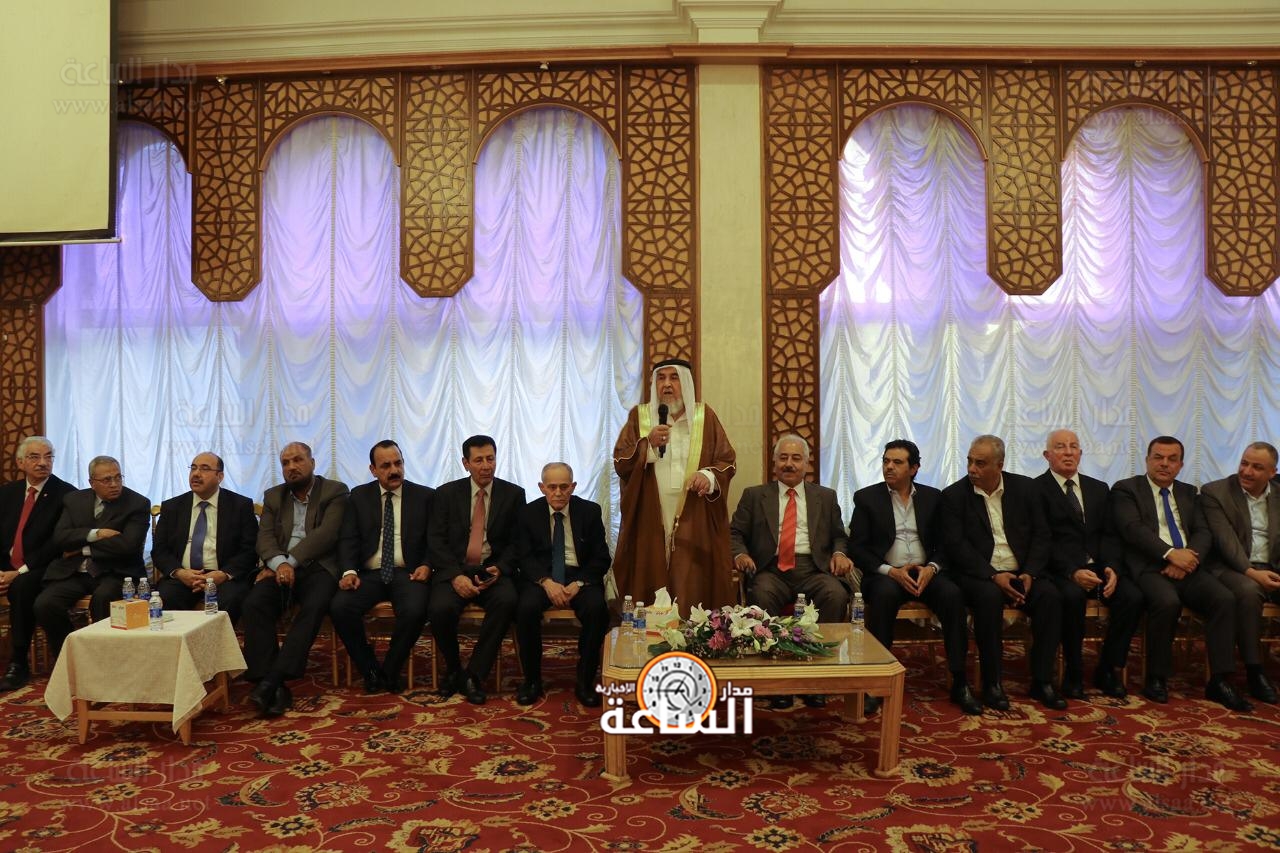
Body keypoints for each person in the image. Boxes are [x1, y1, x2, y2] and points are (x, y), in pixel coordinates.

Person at [1112, 436, 1249, 710]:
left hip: (1188, 566)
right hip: (1149, 567)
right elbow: (1133, 529)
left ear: (1181, 465)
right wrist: (1170, 554)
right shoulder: (1126, 489)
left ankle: (1220, 680)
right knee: (1167, 602)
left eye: (1172, 459)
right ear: (1147, 460)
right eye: (1158, 457)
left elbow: (1203, 531)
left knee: (1224, 599)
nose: (1164, 464)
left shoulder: (1189, 492)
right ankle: (1157, 677)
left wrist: (1187, 558)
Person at [850, 439, 982, 716]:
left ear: (914, 468)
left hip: (924, 572)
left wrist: (932, 567)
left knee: (953, 595)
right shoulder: (867, 498)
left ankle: (959, 681)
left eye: (897, 462)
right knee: (884, 596)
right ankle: (876, 682)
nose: (889, 467)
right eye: (886, 461)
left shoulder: (933, 498)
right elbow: (858, 549)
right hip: (886, 573)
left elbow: (947, 544)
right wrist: (891, 571)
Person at [942, 434, 1066, 711]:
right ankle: (992, 683)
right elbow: (956, 546)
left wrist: (1030, 573)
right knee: (988, 598)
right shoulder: (954, 496)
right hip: (980, 575)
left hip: (1022, 572)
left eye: (980, 463)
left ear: (999, 465)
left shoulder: (1026, 489)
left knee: (1050, 597)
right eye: (970, 461)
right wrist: (993, 575)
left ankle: (1042, 681)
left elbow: (1042, 535)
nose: (972, 469)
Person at [731, 433, 855, 709]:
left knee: (835, 595)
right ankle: (778, 682)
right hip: (770, 569)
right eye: (783, 458)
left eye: (796, 458)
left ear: (807, 464)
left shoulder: (825, 496)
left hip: (814, 569)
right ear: (774, 462)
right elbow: (735, 533)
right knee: (761, 596)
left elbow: (839, 536)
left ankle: (817, 678)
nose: (789, 464)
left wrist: (839, 553)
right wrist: (740, 554)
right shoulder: (754, 495)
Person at [613, 357, 736, 615]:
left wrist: (708, 476)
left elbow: (727, 461)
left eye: (674, 378)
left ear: (687, 383)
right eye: (661, 378)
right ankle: (647, 635)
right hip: (650, 513)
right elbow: (621, 462)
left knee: (691, 581)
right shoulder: (640, 417)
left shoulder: (704, 417)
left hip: (694, 514)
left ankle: (691, 633)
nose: (667, 384)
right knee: (649, 579)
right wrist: (647, 444)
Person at [1033, 430, 1143, 700]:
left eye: (1073, 447)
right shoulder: (1035, 490)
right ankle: (1074, 671)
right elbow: (1041, 539)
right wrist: (1072, 572)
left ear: (1080, 454)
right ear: (1047, 455)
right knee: (1071, 597)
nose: (1068, 452)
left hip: (1098, 567)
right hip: (1060, 571)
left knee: (1132, 597)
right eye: (1060, 447)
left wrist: (1112, 567)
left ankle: (1108, 668)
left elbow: (1110, 534)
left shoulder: (1098, 488)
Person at [244, 442, 349, 717]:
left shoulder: (335, 491)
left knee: (314, 607)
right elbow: (265, 537)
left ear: (312, 463)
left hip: (318, 568)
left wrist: (289, 563)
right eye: (286, 463)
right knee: (255, 603)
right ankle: (272, 684)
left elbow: (326, 535)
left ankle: (272, 679)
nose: (292, 467)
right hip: (278, 568)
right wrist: (279, 564)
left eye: (298, 460)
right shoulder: (274, 496)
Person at [427, 435, 524, 705]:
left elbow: (518, 542)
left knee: (507, 601)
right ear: (465, 463)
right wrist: (455, 575)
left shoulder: (513, 494)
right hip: (455, 569)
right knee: (439, 608)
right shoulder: (446, 494)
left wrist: (500, 569)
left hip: (492, 569)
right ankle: (454, 669)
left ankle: (474, 675)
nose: (486, 466)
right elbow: (436, 540)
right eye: (479, 460)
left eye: (490, 458)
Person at [331, 440, 434, 694]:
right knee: (340, 607)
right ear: (373, 470)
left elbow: (436, 540)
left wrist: (427, 565)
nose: (394, 470)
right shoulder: (359, 496)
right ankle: (369, 669)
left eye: (398, 463)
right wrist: (349, 571)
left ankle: (389, 670)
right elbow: (348, 538)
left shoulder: (425, 496)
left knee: (415, 610)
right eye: (386, 466)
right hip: (369, 574)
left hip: (408, 573)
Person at [513, 462, 611, 708]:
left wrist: (580, 582)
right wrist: (546, 582)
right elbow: (523, 557)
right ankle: (532, 681)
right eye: (552, 487)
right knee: (525, 608)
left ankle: (585, 681)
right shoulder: (528, 513)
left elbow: (601, 558)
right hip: (542, 577)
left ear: (573, 487)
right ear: (542, 487)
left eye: (564, 487)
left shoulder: (589, 512)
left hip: (580, 577)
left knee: (597, 609)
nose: (558, 493)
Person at [33, 456, 150, 661]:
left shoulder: (137, 503)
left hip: (116, 572)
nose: (114, 484)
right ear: (92, 482)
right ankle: (71, 655)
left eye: (118, 477)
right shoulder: (74, 500)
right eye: (106, 480)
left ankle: (104, 659)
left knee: (103, 598)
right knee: (45, 604)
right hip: (75, 572)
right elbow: (60, 538)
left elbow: (128, 546)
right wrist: (97, 534)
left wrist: (82, 548)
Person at [1197, 441, 1280, 704]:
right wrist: (1253, 573)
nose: (1246, 471)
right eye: (1244, 463)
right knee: (1248, 591)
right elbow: (1226, 542)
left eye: (1257, 467)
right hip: (1231, 567)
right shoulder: (1216, 492)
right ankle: (1255, 670)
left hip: (1273, 566)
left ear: (1272, 473)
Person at [0, 437, 75, 691]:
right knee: (17, 583)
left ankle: (18, 662)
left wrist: (18, 572)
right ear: (20, 462)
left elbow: (56, 542)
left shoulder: (66, 494)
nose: (43, 462)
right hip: (7, 568)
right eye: (35, 457)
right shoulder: (7, 493)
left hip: (45, 567)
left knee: (21, 586)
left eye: (48, 456)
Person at [153, 452, 259, 625]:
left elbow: (250, 549)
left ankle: (217, 642)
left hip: (223, 577)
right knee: (165, 598)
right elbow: (160, 550)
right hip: (183, 576)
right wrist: (179, 573)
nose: (196, 474)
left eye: (204, 469)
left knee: (232, 599)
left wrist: (223, 574)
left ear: (220, 476)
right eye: (193, 468)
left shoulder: (240, 506)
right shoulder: (173, 507)